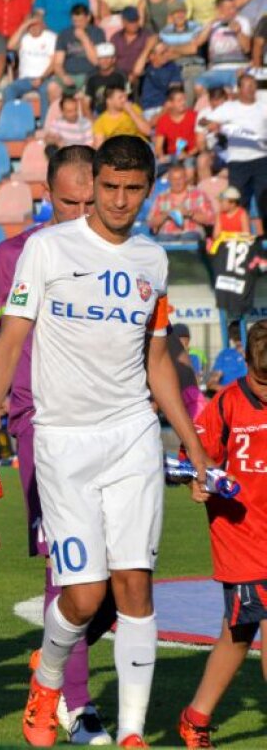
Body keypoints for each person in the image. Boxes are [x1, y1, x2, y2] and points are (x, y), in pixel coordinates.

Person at [0, 136, 214, 748]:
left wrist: (191, 442)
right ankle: (47, 678)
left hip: (132, 435)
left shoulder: (153, 261)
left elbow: (157, 361)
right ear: (95, 183)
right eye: (110, 187)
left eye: (133, 189)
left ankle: (131, 733)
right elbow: (9, 343)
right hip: (62, 441)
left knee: (135, 585)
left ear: (148, 189)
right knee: (82, 595)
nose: (119, 200)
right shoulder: (47, 250)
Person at [0, 145, 114, 745]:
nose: (80, 212)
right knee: (68, 565)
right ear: (47, 194)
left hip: (112, 431)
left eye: (89, 200)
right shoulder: (12, 256)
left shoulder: (122, 254)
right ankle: (74, 704)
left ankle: (51, 660)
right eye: (68, 201)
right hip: (40, 427)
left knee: (126, 579)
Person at [177, 321, 267, 749]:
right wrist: (198, 479)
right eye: (260, 382)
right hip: (243, 536)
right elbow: (193, 456)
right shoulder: (225, 405)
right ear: (244, 362)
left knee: (239, 634)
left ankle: (195, 718)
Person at [200, 74, 267, 223]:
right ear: (239, 89)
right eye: (247, 86)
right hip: (238, 162)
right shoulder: (229, 108)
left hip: (262, 160)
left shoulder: (264, 106)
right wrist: (212, 124)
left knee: (265, 201)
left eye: (253, 85)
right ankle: (238, 235)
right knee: (238, 200)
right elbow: (203, 121)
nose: (251, 89)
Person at [4, 9, 56, 117]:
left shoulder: (51, 37)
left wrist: (41, 78)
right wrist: (24, 26)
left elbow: (54, 63)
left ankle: (43, 125)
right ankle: (12, 121)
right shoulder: (24, 37)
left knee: (45, 91)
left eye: (37, 24)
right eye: (31, 25)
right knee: (9, 90)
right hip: (25, 79)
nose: (34, 28)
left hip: (45, 78)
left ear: (42, 24)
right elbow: (10, 46)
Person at [148, 163, 212, 236]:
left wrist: (189, 213)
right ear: (169, 180)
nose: (177, 182)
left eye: (180, 178)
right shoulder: (161, 197)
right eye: (174, 179)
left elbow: (210, 219)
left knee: (190, 236)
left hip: (191, 236)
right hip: (167, 237)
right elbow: (151, 223)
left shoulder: (198, 195)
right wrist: (167, 214)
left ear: (185, 178)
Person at [137, 42, 183, 122]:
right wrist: (147, 49)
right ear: (152, 56)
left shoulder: (172, 67)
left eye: (166, 51)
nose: (166, 55)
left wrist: (163, 111)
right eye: (162, 53)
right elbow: (136, 72)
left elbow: (175, 90)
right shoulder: (147, 66)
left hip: (164, 107)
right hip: (147, 108)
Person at [83, 43, 127, 113]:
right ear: (97, 59)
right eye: (101, 58)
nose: (104, 61)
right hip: (97, 114)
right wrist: (95, 121)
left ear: (113, 59)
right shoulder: (91, 76)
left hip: (118, 112)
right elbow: (85, 105)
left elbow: (126, 100)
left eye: (107, 58)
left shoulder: (121, 75)